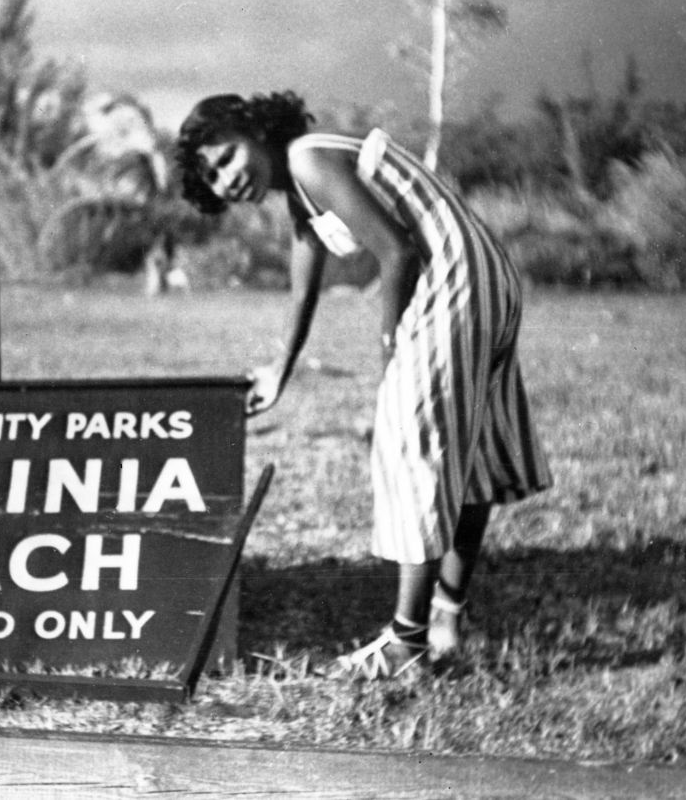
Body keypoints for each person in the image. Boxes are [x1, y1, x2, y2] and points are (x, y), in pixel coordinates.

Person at [175, 92, 552, 679]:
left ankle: (405, 642)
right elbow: (303, 289)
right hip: (486, 277)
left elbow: (396, 252)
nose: (228, 180)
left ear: (252, 130)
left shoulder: (307, 159)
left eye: (227, 157)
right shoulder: (301, 194)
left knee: (414, 449)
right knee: (471, 458)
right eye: (216, 177)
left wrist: (389, 352)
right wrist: (281, 367)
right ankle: (448, 618)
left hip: (450, 281)